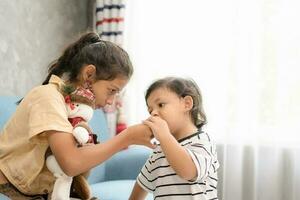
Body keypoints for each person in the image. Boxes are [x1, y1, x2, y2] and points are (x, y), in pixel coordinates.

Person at [0, 32, 154, 199]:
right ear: (88, 74)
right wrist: (127, 137)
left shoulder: (75, 110)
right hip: (10, 189)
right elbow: (70, 164)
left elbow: (76, 169)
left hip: (40, 192)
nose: (111, 101)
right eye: (111, 91)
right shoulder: (47, 97)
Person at [129, 77, 220, 200]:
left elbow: (188, 172)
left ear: (187, 103)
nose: (154, 113)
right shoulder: (159, 150)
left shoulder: (203, 142)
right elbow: (142, 184)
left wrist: (164, 136)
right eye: (150, 110)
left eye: (161, 105)